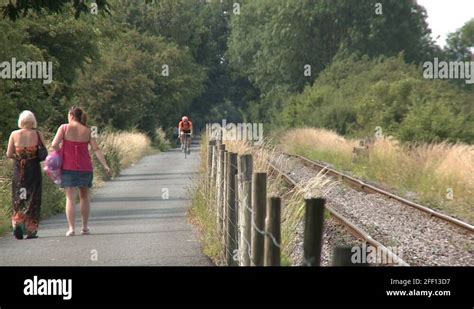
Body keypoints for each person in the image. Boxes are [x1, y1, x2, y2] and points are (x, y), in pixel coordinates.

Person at [51, 106, 110, 237]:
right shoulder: (88, 131)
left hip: (68, 167)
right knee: (84, 197)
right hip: (85, 167)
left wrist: (61, 153)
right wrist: (105, 165)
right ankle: (85, 227)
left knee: (70, 198)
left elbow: (54, 144)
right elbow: (96, 149)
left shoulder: (64, 128)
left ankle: (71, 229)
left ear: (71, 116)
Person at [6, 110, 45, 239]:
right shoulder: (37, 134)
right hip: (33, 169)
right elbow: (44, 151)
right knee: (33, 197)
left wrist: (19, 157)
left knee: (20, 196)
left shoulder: (14, 134)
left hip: (19, 170)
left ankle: (18, 221)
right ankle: (30, 229)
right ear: (33, 121)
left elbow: (9, 154)